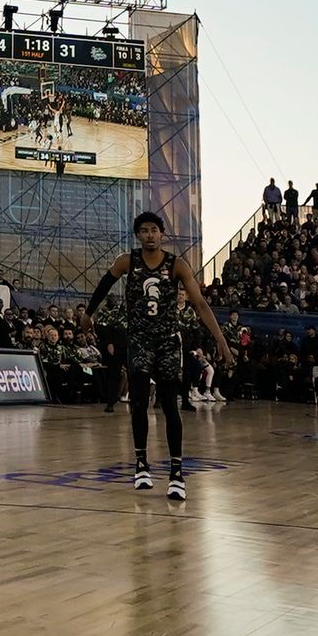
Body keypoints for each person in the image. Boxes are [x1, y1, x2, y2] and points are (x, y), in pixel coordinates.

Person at [81, 210, 228, 498]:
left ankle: (176, 471)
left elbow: (199, 304)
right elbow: (103, 285)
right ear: (138, 235)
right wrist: (88, 313)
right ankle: (141, 464)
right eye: (144, 230)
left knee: (170, 405)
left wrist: (220, 339)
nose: (150, 235)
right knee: (138, 402)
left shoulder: (177, 265)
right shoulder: (128, 261)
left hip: (167, 342)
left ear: (162, 234)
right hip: (139, 340)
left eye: (154, 230)